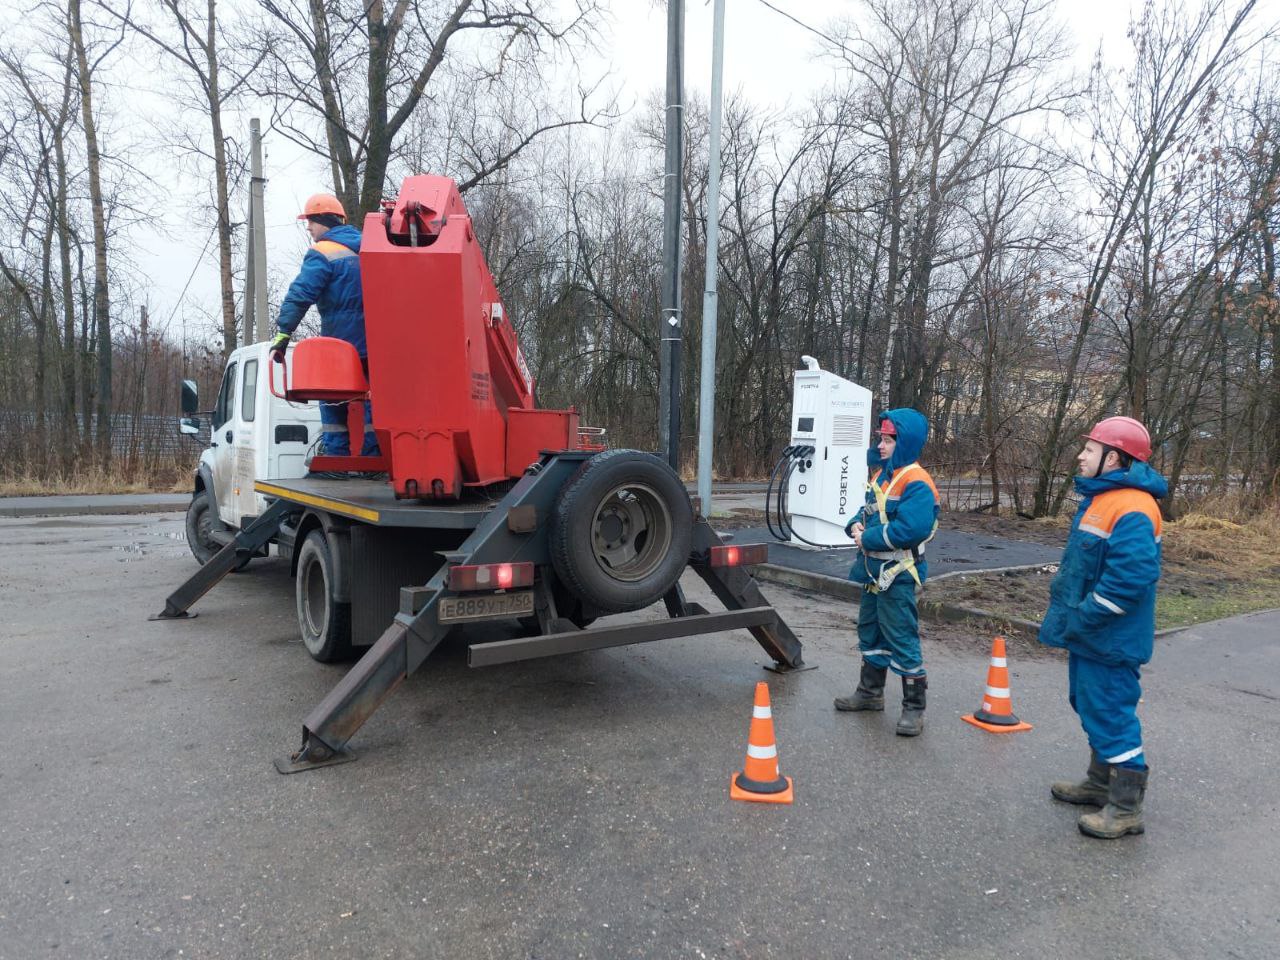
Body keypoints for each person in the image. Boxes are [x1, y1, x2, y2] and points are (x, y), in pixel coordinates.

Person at [1040, 415, 1166, 839]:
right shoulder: (1103, 498)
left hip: (1110, 637)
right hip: (1092, 634)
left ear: (1113, 458)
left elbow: (1131, 577)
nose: (1081, 455)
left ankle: (1126, 806)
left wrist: (1087, 613)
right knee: (1089, 704)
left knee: (1110, 712)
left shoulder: (1132, 507)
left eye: (1090, 450)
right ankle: (1099, 783)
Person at [834, 408, 940, 737]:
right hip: (872, 570)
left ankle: (914, 709)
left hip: (897, 572)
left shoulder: (917, 483)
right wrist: (853, 524)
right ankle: (870, 693)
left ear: (904, 442)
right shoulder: (884, 476)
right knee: (871, 633)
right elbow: (866, 510)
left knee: (901, 638)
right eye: (880, 438)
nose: (880, 445)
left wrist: (864, 536)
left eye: (888, 440)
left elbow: (911, 529)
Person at [270, 193, 380, 460]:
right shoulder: (371, 246)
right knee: (372, 398)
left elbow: (300, 294)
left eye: (310, 221)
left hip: (342, 344)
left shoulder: (322, 253)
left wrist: (284, 333)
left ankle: (335, 456)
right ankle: (374, 456)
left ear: (324, 220)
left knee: (331, 396)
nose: (308, 228)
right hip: (376, 342)